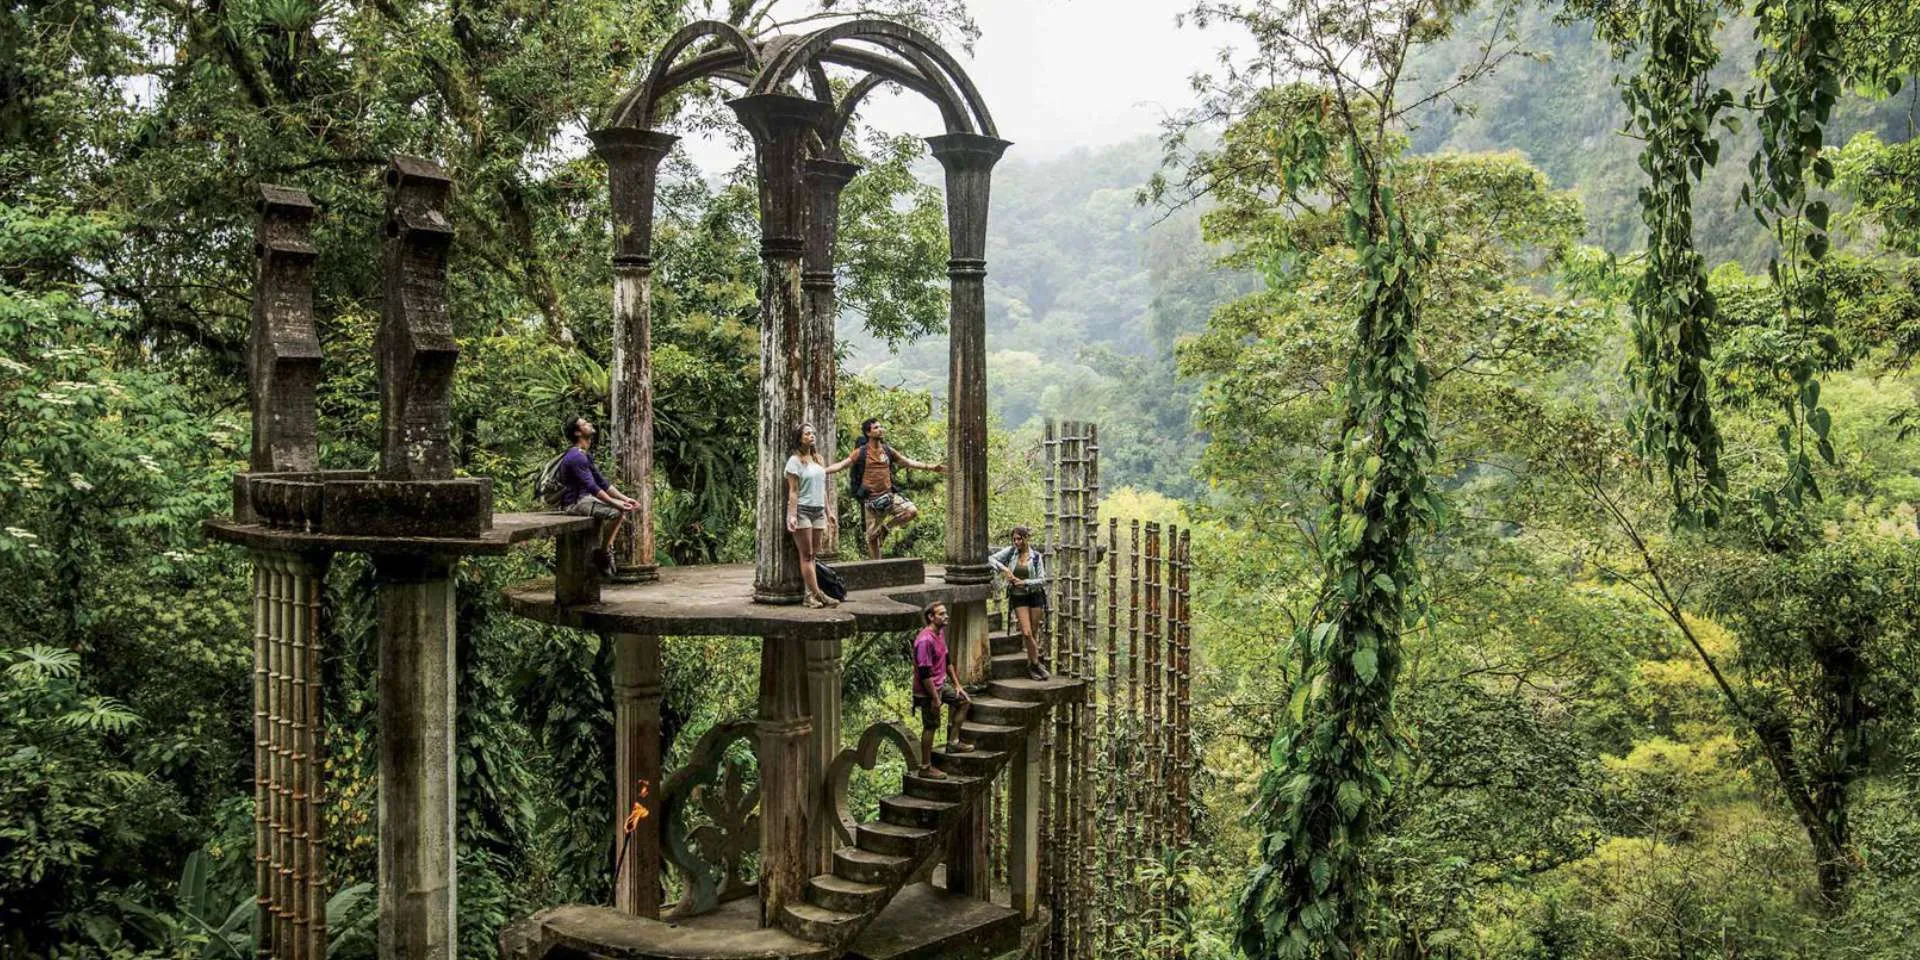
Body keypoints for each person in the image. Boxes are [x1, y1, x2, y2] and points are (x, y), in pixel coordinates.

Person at [826, 417, 945, 560]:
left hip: (889, 497)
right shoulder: (861, 452)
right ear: (868, 433)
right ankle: (877, 565)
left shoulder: (888, 450)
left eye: (880, 426)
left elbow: (907, 462)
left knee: (912, 511)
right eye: (876, 427)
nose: (880, 429)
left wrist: (931, 467)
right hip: (872, 501)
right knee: (871, 538)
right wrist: (822, 470)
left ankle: (886, 528)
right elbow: (841, 465)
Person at [558, 415, 638, 578]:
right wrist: (616, 504)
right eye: (584, 424)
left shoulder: (584, 455)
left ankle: (604, 550)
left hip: (586, 499)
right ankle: (603, 553)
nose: (589, 423)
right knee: (616, 513)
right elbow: (592, 487)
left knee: (620, 508)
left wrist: (624, 499)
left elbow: (602, 482)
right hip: (575, 503)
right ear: (578, 433)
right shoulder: (575, 457)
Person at [911, 601, 973, 779]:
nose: (946, 616)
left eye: (945, 613)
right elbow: (924, 673)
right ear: (931, 617)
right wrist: (935, 699)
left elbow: (947, 660)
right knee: (930, 725)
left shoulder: (940, 633)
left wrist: (957, 685)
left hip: (941, 684)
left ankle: (953, 742)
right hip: (927, 689)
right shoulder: (925, 640)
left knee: (964, 701)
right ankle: (925, 767)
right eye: (941, 614)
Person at [786, 423, 842, 609]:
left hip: (818, 510)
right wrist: (792, 516)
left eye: (812, 433)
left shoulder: (818, 459)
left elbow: (823, 489)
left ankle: (810, 595)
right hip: (803, 510)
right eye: (807, 433)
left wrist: (829, 511)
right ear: (799, 438)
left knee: (814, 555)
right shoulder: (794, 461)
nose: (811, 436)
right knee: (807, 555)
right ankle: (817, 595)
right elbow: (793, 491)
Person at [988, 526, 1050, 680]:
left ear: (1026, 538)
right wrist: (1005, 570)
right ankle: (1037, 663)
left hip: (1035, 596)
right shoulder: (1010, 552)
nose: (1016, 542)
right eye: (1014, 539)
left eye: (1019, 539)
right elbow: (990, 558)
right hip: (1018, 596)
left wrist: (1025, 582)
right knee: (1027, 632)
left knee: (1034, 632)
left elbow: (1043, 580)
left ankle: (1031, 667)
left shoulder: (1036, 557)